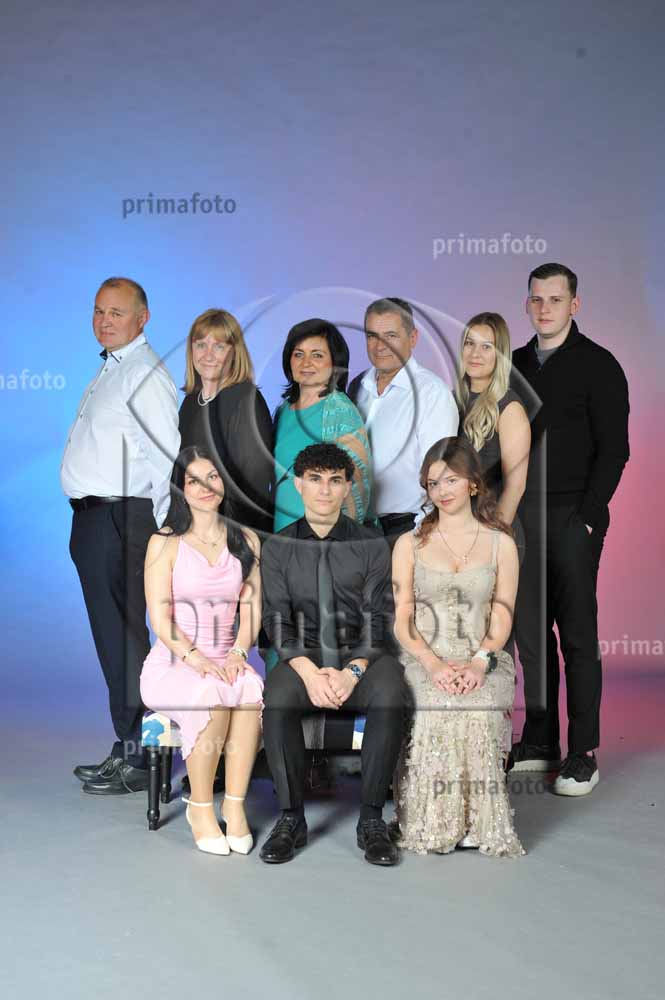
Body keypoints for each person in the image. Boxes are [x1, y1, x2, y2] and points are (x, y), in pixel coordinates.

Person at [509, 263, 630, 795]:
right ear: (527, 303)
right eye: (537, 299)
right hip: (520, 516)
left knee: (577, 633)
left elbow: (615, 450)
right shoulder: (512, 366)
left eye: (555, 300)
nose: (545, 309)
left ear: (574, 305)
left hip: (572, 515)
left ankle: (582, 751)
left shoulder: (599, 365)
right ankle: (540, 740)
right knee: (531, 636)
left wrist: (586, 517)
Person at [260, 443, 408, 866]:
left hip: (359, 654)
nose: (325, 490)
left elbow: (378, 617)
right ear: (299, 485)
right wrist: (310, 674)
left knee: (391, 692)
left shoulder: (371, 543)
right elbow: (276, 620)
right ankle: (291, 818)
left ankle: (371, 819)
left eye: (335, 481)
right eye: (315, 479)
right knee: (277, 699)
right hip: (304, 657)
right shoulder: (278, 547)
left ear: (347, 488)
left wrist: (351, 672)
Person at [62, 277, 181, 795]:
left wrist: (159, 534)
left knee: (127, 643)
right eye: (98, 311)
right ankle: (131, 747)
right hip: (97, 522)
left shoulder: (144, 373)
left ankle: (142, 758)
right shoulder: (113, 367)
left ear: (142, 317)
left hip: (123, 521)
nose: (104, 321)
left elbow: (165, 457)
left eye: (116, 312)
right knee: (117, 642)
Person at [392, 437, 524, 857]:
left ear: (472, 482)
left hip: (483, 655)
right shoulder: (409, 544)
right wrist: (432, 664)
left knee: (476, 705)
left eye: (451, 480)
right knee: (438, 703)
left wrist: (480, 662)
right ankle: (435, 822)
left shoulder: (501, 544)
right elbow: (402, 619)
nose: (442, 491)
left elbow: (502, 614)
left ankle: (475, 820)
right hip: (423, 656)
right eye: (433, 483)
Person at [140, 447, 263, 855]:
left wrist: (238, 654)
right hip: (175, 661)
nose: (206, 486)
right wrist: (199, 660)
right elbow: (160, 620)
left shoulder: (246, 540)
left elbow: (252, 611)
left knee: (250, 688)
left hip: (227, 657)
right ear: (181, 489)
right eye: (194, 480)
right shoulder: (165, 542)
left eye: (212, 477)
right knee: (209, 691)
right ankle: (201, 807)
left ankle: (235, 804)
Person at [348, 297, 459, 545]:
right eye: (372, 336)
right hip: (360, 529)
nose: (380, 346)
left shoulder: (432, 394)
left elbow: (440, 472)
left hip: (408, 529)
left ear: (413, 337)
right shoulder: (358, 387)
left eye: (391, 336)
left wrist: (422, 538)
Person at [178, 308, 274, 535]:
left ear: (234, 353)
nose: (208, 355)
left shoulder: (246, 400)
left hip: (236, 532)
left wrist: (223, 535)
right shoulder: (190, 403)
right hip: (196, 527)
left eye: (219, 347)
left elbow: (254, 484)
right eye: (201, 345)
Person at [273, 319, 371, 531]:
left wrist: (336, 539)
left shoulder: (341, 412)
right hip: (281, 533)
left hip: (321, 537)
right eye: (298, 354)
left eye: (317, 355)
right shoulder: (284, 410)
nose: (306, 363)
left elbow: (357, 487)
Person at [455, 312, 531, 526]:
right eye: (469, 343)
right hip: (454, 528)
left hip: (491, 526)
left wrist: (494, 537)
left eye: (486, 347)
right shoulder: (450, 400)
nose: (475, 354)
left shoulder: (509, 408)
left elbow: (516, 487)